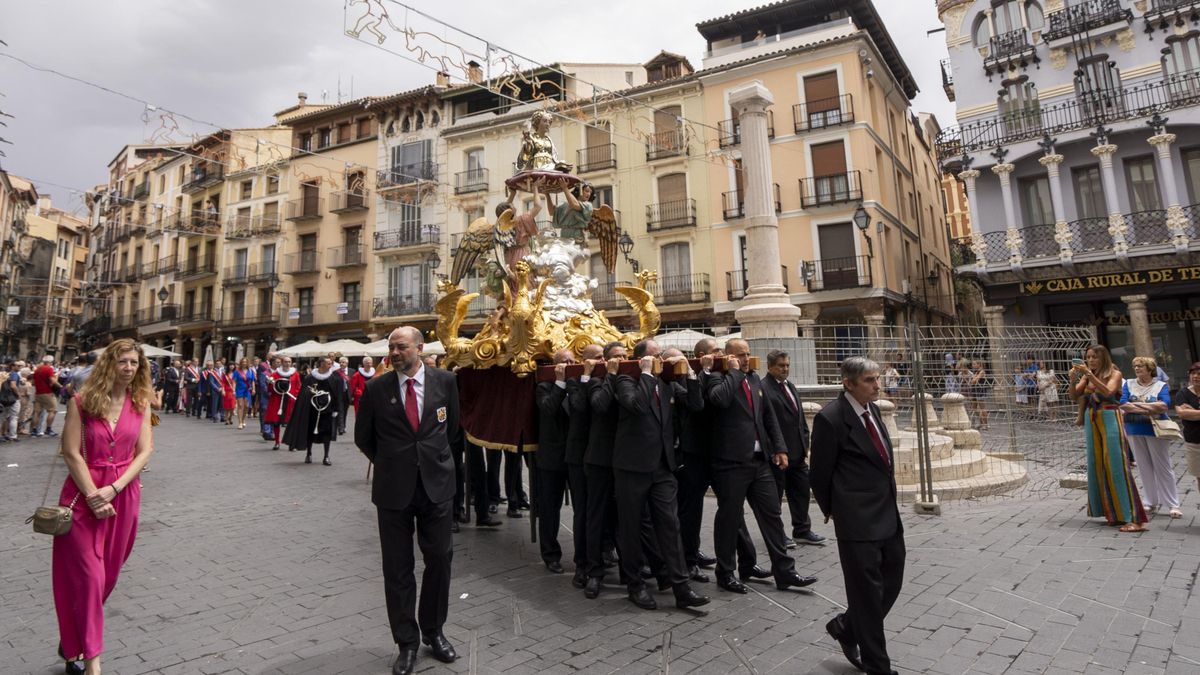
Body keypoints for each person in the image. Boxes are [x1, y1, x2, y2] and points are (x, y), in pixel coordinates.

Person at [355, 326, 461, 675]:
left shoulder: (446, 382)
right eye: (391, 348)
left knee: (440, 561)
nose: (395, 353)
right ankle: (407, 642)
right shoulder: (375, 389)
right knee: (398, 570)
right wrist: (392, 463)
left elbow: (453, 430)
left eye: (401, 347)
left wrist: (432, 461)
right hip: (393, 492)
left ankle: (434, 631)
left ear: (419, 347)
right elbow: (364, 438)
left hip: (436, 487)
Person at [52, 338, 155, 675]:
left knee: (107, 577)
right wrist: (96, 494)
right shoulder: (81, 402)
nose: (129, 368)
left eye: (134, 363)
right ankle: (93, 663)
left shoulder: (141, 403)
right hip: (83, 498)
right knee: (90, 578)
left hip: (123, 496)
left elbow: (144, 452)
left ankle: (72, 642)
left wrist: (114, 488)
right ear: (110, 363)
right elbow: (71, 453)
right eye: (123, 361)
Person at [811, 356, 904, 675]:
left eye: (877, 378)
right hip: (856, 521)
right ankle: (879, 666)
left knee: (891, 583)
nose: (877, 385)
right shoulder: (830, 418)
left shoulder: (873, 409)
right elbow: (819, 473)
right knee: (866, 595)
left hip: (888, 515)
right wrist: (835, 510)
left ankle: (847, 627)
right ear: (848, 384)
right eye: (869, 380)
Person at [705, 338, 817, 595]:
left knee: (772, 516)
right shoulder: (717, 377)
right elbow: (719, 400)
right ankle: (726, 572)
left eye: (747, 354)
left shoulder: (755, 380)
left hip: (760, 462)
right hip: (731, 463)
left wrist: (780, 448)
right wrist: (732, 371)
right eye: (740, 355)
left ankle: (785, 572)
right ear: (728, 356)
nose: (746, 359)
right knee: (730, 519)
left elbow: (768, 417)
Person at [611, 339, 709, 611]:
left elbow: (696, 404)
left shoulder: (667, 383)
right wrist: (644, 374)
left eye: (660, 357)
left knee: (670, 525)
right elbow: (638, 406)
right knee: (631, 528)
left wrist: (689, 373)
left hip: (663, 467)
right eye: (654, 357)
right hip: (632, 467)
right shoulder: (626, 381)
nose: (660, 361)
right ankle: (635, 585)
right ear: (641, 359)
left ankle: (681, 586)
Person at [1072, 345, 1148, 532]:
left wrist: (1090, 375)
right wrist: (1072, 378)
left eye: (1094, 357)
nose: (1090, 360)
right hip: (1092, 419)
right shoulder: (1087, 374)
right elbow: (1074, 395)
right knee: (1097, 464)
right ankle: (1113, 513)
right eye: (1088, 357)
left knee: (1116, 464)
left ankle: (1134, 517)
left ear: (1103, 358)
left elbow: (1108, 392)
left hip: (1109, 417)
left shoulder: (1114, 373)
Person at [761, 350, 825, 547]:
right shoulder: (764, 389)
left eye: (787, 365)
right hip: (778, 455)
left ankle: (802, 530)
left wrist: (805, 442)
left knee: (801, 492)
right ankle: (777, 534)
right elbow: (766, 424)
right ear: (770, 367)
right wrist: (774, 450)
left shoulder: (790, 386)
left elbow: (799, 419)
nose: (785, 369)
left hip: (797, 452)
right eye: (781, 366)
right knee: (775, 497)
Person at [581, 341, 626, 598]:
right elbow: (598, 405)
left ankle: (629, 567)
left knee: (624, 517)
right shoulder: (596, 380)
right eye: (615, 357)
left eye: (624, 356)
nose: (620, 360)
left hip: (625, 458)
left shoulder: (631, 379)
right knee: (596, 516)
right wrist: (610, 375)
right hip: (599, 458)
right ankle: (594, 571)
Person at [1121, 356, 1180, 519]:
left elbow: (1164, 405)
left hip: (1155, 429)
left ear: (1149, 368)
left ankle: (1173, 504)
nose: (1137, 369)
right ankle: (1150, 501)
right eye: (1135, 366)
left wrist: (1136, 407)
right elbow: (1123, 403)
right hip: (1133, 427)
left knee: (1162, 465)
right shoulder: (1129, 383)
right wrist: (1149, 408)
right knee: (1143, 466)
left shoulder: (1160, 385)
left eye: (1140, 366)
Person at [564, 344, 602, 588]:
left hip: (603, 455)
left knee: (600, 512)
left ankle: (602, 556)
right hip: (579, 456)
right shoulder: (575, 381)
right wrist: (586, 377)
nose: (600, 361)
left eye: (602, 357)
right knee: (583, 512)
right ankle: (582, 564)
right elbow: (579, 407)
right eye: (596, 358)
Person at [535, 349, 575, 575]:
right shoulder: (544, 386)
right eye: (564, 361)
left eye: (572, 361)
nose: (569, 365)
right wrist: (559, 383)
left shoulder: (580, 383)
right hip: (552, 458)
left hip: (577, 456)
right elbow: (549, 408)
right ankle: (550, 554)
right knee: (550, 508)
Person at [283, 356, 346, 465]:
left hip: (327, 410)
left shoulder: (335, 377)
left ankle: (326, 456)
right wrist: (311, 394)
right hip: (312, 409)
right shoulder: (310, 377)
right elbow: (304, 393)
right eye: (328, 363)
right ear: (321, 364)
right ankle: (309, 454)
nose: (331, 365)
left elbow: (339, 395)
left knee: (327, 433)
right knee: (310, 432)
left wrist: (336, 409)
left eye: (331, 363)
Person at [265, 357, 300, 451]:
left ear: (291, 363)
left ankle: (291, 444)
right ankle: (277, 442)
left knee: (291, 423)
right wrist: (271, 384)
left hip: (290, 401)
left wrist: (296, 396)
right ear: (282, 363)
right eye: (285, 362)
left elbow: (298, 386)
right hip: (277, 400)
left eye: (289, 362)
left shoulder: (295, 374)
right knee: (276, 422)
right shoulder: (275, 374)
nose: (287, 363)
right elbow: (270, 389)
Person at [1176, 363, 1200, 500]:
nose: (1196, 377)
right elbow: (1182, 414)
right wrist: (1187, 412)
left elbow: (1188, 413)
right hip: (1194, 440)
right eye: (1193, 373)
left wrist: (1192, 411)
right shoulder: (1183, 393)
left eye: (1199, 374)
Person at [33, 355, 61, 437]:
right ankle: (48, 429)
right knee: (53, 410)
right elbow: (52, 380)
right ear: (50, 362)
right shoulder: (49, 369)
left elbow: (34, 382)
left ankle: (34, 430)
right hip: (47, 392)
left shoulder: (37, 369)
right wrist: (60, 386)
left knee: (37, 412)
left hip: (38, 393)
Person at [964, 360, 989, 430]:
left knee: (982, 408)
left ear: (979, 364)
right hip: (975, 391)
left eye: (974, 364)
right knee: (974, 408)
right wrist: (974, 379)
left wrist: (974, 379)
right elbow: (972, 381)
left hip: (980, 391)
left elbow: (974, 381)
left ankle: (986, 424)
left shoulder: (982, 372)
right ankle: (981, 423)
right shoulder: (976, 372)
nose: (973, 366)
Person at [232, 358, 255, 429]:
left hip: (248, 390)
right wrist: (233, 390)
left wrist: (254, 389)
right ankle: (240, 422)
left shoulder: (251, 371)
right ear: (241, 363)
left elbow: (253, 381)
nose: (244, 363)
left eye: (245, 362)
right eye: (243, 362)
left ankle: (243, 419)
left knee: (246, 406)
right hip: (239, 389)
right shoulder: (237, 371)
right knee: (240, 405)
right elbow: (234, 381)